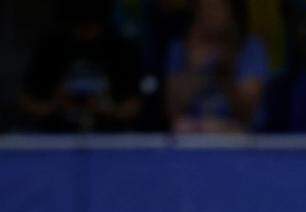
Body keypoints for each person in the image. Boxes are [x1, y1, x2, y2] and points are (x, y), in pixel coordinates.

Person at [19, 2, 142, 132]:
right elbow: (26, 101)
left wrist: (108, 108)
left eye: (91, 28)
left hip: (109, 137)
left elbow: (134, 106)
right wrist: (56, 104)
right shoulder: (51, 46)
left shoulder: (119, 48)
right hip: (53, 136)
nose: (86, 32)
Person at [166, 0, 269, 133]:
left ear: (231, 12)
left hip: (240, 135)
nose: (210, 15)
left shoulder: (251, 48)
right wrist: (194, 69)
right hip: (191, 133)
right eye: (204, 8)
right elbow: (172, 110)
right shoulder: (181, 48)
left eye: (216, 8)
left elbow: (247, 114)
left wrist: (226, 72)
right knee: (182, 126)